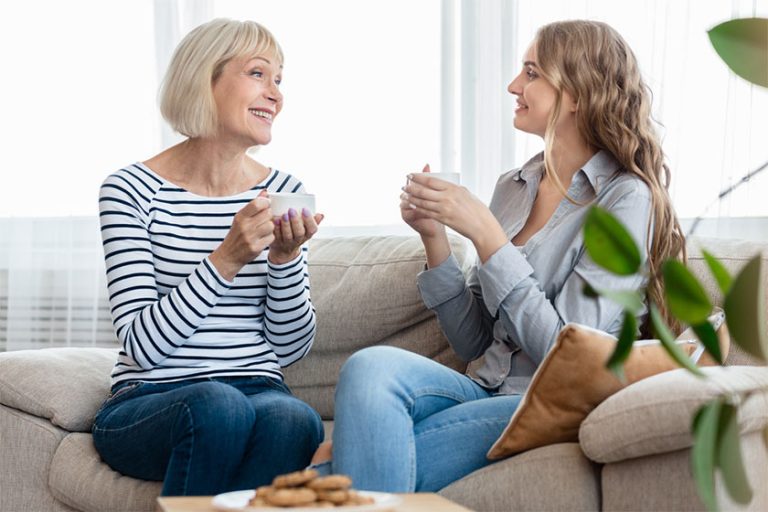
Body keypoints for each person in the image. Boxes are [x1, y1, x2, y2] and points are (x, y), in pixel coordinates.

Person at [315, 20, 684, 492]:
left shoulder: (625, 198)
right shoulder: (513, 187)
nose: (514, 85)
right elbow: (474, 344)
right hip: (483, 388)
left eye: (531, 72)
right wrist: (435, 238)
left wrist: (490, 238)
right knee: (368, 367)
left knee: (332, 475)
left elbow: (565, 354)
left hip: (548, 401)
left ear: (575, 94)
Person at [93, 18, 325, 496]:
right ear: (205, 79)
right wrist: (227, 258)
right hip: (151, 400)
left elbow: (289, 349)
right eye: (259, 74)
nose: (276, 94)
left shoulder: (285, 192)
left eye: (279, 80)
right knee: (219, 406)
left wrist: (283, 259)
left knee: (295, 418)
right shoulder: (130, 191)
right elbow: (141, 344)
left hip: (259, 389)